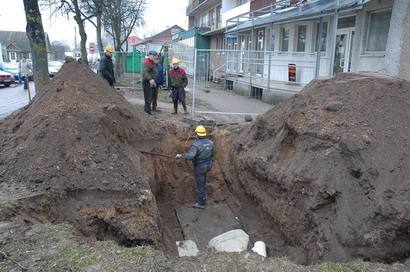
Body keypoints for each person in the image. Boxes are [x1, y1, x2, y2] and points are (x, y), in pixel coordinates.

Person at [176, 125, 214, 209]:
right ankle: (203, 194)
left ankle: (201, 203)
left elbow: (190, 156)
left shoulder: (196, 145)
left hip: (200, 167)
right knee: (203, 180)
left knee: (200, 185)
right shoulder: (211, 142)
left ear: (197, 134)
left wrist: (181, 156)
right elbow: (212, 154)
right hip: (208, 165)